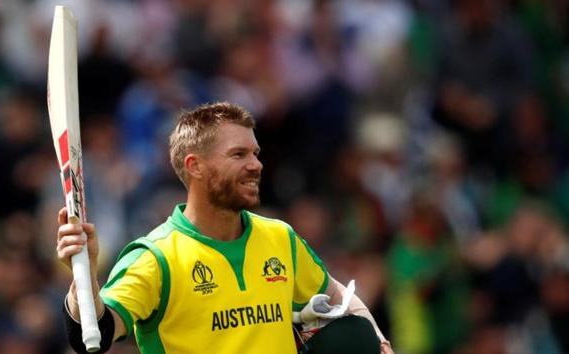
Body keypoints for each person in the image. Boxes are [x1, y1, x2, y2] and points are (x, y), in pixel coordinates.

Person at [57, 102, 394, 354]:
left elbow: (342, 300)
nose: (256, 165)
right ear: (195, 166)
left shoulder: (280, 237)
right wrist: (82, 280)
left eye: (256, 153)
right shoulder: (155, 258)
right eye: (238, 154)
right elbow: (95, 333)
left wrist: (380, 342)